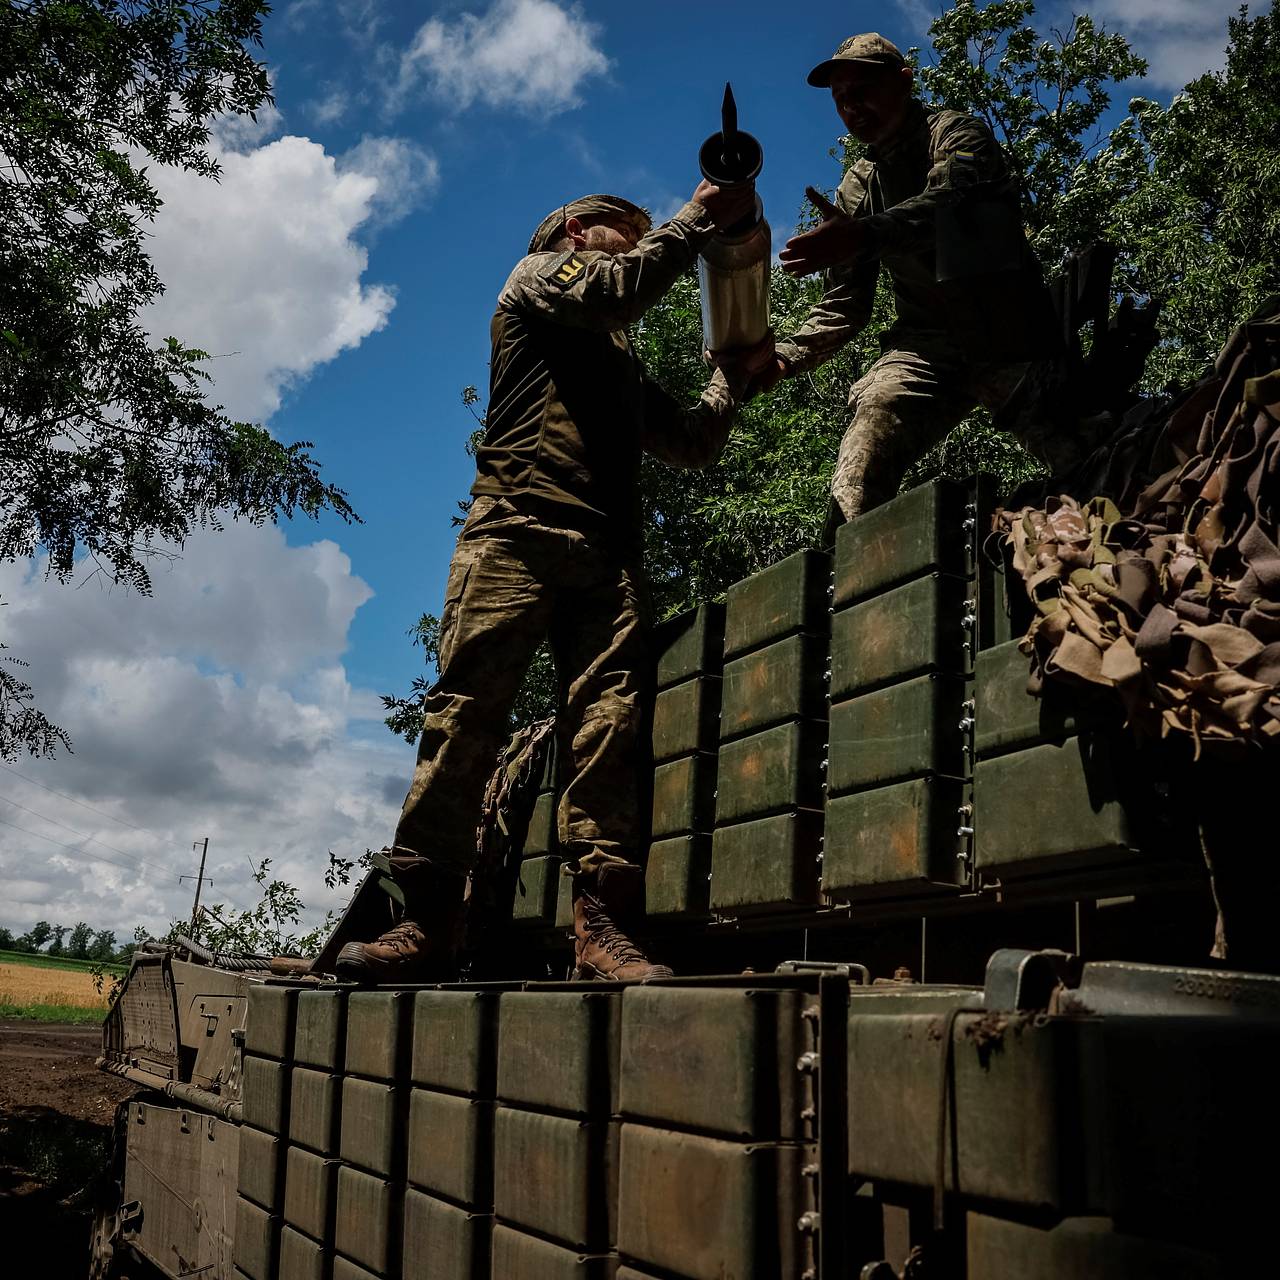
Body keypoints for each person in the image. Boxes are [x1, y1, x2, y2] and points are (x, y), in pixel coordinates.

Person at [337, 183, 762, 985]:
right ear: (576, 231)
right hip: (516, 531)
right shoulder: (538, 275)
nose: (638, 244)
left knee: (609, 729)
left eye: (646, 234)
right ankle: (423, 921)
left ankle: (601, 930)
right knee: (466, 715)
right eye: (624, 232)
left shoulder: (613, 358)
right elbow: (618, 292)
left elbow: (690, 443)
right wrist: (699, 219)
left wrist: (730, 380)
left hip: (606, 556)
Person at [761, 33, 1070, 527]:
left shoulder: (955, 134)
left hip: (1010, 336)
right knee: (869, 432)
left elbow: (950, 206)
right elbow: (844, 307)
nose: (852, 106)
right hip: (926, 345)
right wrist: (780, 358)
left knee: (1084, 455)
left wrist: (863, 236)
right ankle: (851, 587)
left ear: (904, 81)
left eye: (863, 89)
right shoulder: (858, 186)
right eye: (841, 99)